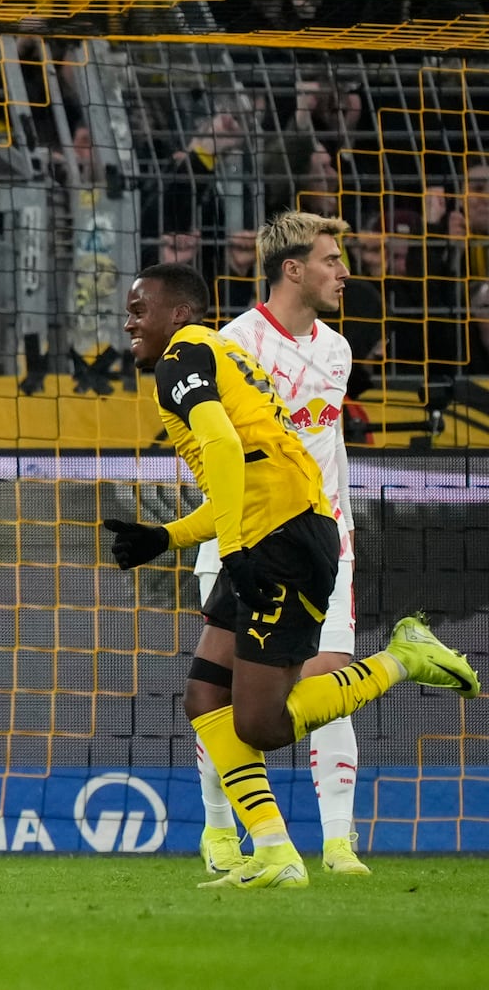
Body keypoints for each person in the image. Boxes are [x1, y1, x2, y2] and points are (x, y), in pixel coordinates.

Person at [103, 260, 479, 889]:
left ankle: (402, 660)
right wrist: (168, 535)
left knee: (262, 723)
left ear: (178, 313)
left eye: (140, 308)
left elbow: (222, 447)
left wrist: (237, 546)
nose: (129, 321)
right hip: (274, 529)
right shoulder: (213, 352)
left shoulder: (182, 357)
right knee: (204, 697)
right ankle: (275, 850)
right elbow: (247, 467)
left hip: (281, 541)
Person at [190, 212, 369, 876]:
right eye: (330, 259)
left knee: (329, 677)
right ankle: (219, 831)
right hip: (247, 539)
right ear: (292, 268)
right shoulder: (232, 346)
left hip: (323, 542)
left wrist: (344, 529)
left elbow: (332, 449)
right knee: (228, 695)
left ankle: (338, 842)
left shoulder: (338, 350)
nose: (342, 271)